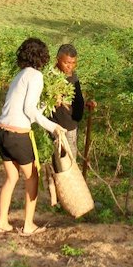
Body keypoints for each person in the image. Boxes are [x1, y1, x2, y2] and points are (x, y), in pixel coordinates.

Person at [0, 37, 66, 236]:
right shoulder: (35, 76)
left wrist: (48, 103)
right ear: (42, 56)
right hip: (18, 135)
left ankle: (2, 222)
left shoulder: (19, 76)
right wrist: (54, 127)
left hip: (2, 133)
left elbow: (28, 111)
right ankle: (28, 225)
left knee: (11, 178)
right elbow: (29, 110)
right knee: (32, 177)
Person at [44, 44, 97, 205]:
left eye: (73, 63)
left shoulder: (73, 76)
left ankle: (69, 198)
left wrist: (85, 103)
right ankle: (66, 200)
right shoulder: (51, 79)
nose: (70, 66)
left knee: (70, 161)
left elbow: (75, 99)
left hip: (72, 124)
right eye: (67, 62)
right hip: (59, 126)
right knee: (63, 163)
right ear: (57, 60)